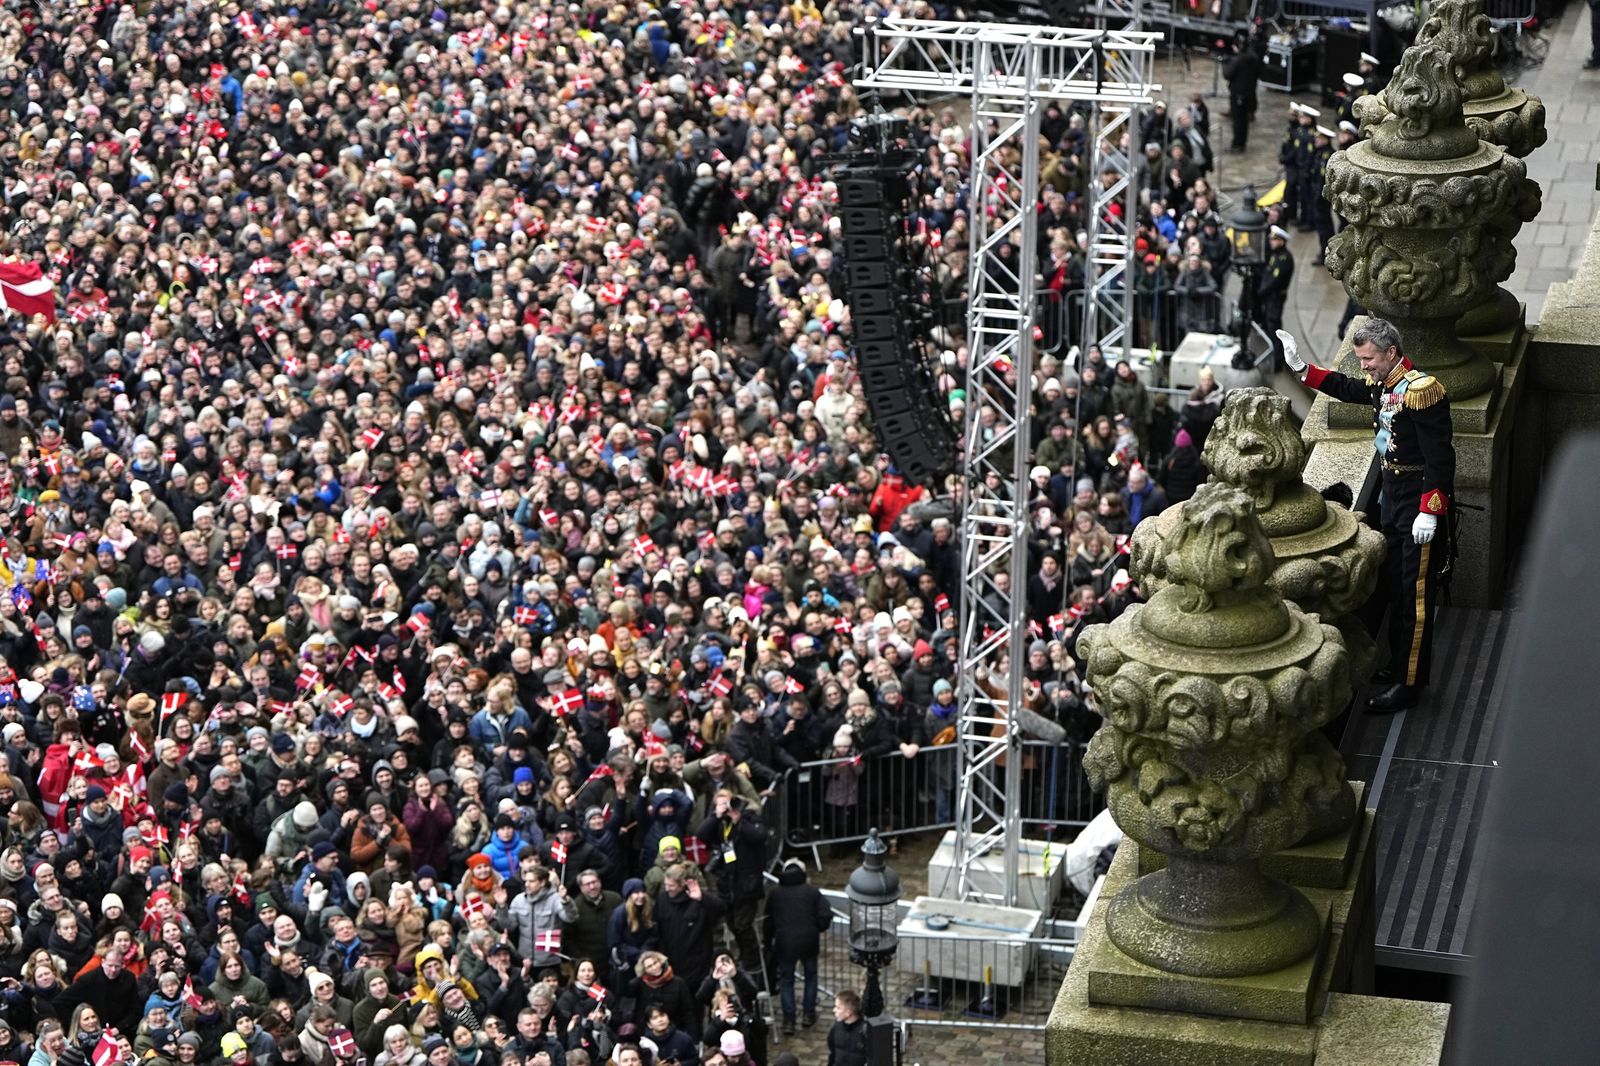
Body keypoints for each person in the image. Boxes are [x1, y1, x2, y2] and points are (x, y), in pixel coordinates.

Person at [1279, 320, 1454, 711]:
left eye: (1368, 359)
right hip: (1392, 500)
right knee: (1395, 587)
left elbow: (1440, 459)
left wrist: (1430, 509)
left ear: (1391, 353)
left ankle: (1410, 682)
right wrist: (1302, 369)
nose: (1364, 367)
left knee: (1414, 599)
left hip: (1416, 504)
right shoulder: (1388, 383)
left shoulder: (1422, 391)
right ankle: (1397, 665)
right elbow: (1348, 388)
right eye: (1360, 359)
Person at [764, 860, 833, 1035]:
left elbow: (768, 920)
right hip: (809, 941)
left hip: (785, 943)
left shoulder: (775, 894)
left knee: (787, 981)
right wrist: (817, 928)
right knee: (811, 977)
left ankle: (789, 1020)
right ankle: (808, 1014)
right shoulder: (812, 892)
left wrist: (767, 941)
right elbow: (826, 914)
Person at [1259, 226, 1295, 366]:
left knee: (1274, 326)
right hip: (1270, 297)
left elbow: (1275, 280)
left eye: (1275, 240)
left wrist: (1262, 292)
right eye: (1271, 239)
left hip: (1275, 297)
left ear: (1282, 241)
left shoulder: (1284, 258)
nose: (1271, 242)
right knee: (1269, 324)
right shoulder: (1275, 254)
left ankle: (1278, 359)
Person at [1224, 33, 1262, 151]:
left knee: (1238, 120)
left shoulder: (1239, 60)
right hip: (1249, 92)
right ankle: (1241, 143)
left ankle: (1237, 144)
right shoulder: (1254, 57)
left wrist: (1226, 62)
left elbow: (1228, 74)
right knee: (1244, 120)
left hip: (1238, 93)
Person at [825, 990, 869, 1066]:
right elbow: (832, 1050)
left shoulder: (865, 1031)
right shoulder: (836, 1028)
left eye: (838, 1008)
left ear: (848, 1012)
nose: (834, 1010)